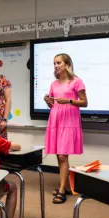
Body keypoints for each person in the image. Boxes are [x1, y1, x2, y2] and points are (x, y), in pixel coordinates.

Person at [44, 53, 88, 204]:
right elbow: (52, 105)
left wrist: (69, 100)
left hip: (69, 120)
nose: (56, 65)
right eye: (54, 63)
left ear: (67, 64)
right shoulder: (54, 84)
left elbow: (84, 102)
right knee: (59, 155)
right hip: (56, 119)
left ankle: (62, 191)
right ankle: (66, 186)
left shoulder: (76, 81)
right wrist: (49, 101)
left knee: (63, 156)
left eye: (59, 63)